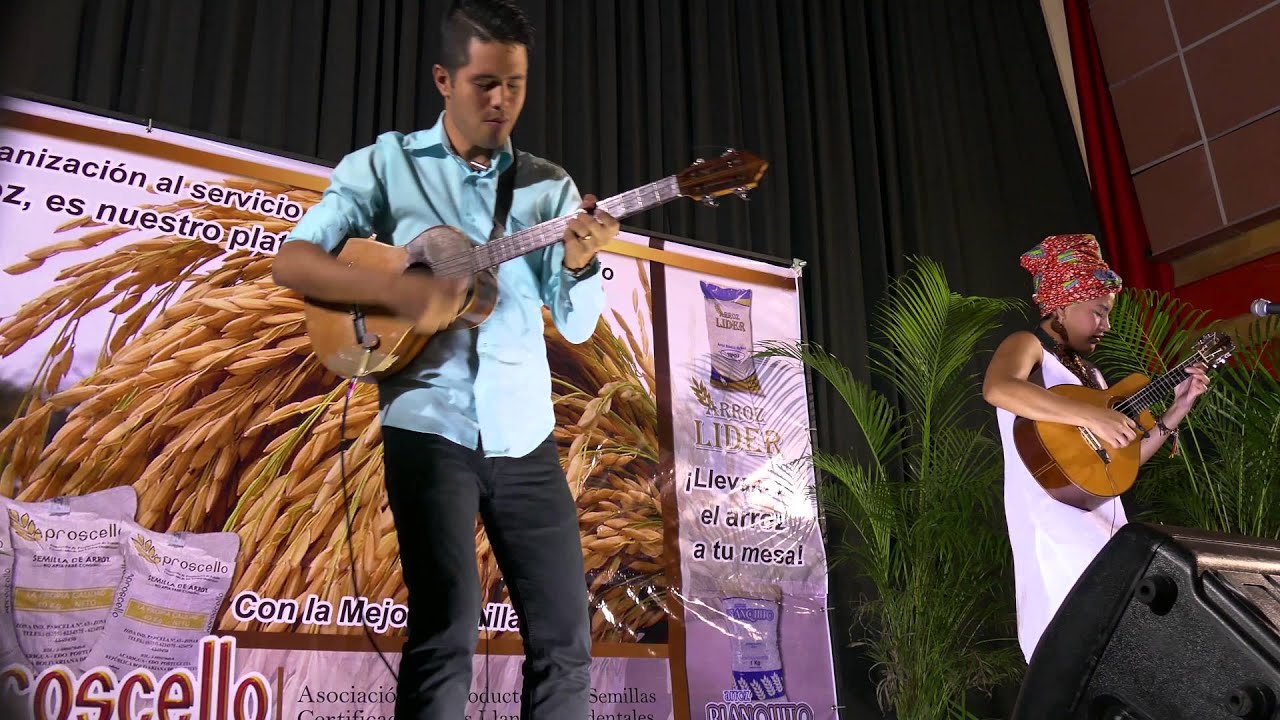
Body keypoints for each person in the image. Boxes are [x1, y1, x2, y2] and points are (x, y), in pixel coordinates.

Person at [271, 1, 620, 717]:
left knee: (565, 641)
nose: (501, 102)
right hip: (429, 429)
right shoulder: (386, 166)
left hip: (527, 438)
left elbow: (580, 329)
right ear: (444, 78)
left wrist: (583, 265)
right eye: (484, 83)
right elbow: (294, 262)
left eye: (516, 85)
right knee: (446, 630)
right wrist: (396, 290)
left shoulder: (547, 188)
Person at [981, 233, 1209, 663]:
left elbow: (1123, 462)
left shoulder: (1094, 379)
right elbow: (997, 388)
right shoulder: (1028, 348)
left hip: (1108, 532)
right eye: (1098, 312)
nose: (1105, 325)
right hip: (1054, 535)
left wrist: (1176, 410)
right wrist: (1091, 416)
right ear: (1062, 305)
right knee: (1076, 658)